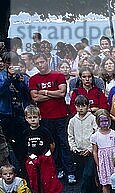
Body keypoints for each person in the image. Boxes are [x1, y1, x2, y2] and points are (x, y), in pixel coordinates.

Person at [29, 53, 76, 184]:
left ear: (47, 60)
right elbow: (35, 98)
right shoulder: (34, 79)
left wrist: (44, 92)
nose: (40, 65)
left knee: (64, 144)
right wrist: (52, 94)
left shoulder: (58, 75)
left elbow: (62, 93)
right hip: (45, 117)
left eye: (42, 62)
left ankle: (70, 172)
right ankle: (58, 169)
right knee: (51, 145)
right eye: (37, 63)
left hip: (60, 116)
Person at [23, 105, 63, 193]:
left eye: (35, 117)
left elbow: (52, 144)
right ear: (26, 118)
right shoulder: (26, 132)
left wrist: (47, 155)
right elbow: (25, 147)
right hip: (33, 159)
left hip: (44, 159)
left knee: (49, 179)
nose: (33, 120)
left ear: (39, 117)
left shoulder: (44, 130)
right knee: (37, 180)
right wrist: (31, 157)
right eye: (30, 117)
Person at [67, 95, 98, 193]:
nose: (81, 108)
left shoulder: (92, 119)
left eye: (83, 106)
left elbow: (96, 134)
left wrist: (90, 149)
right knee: (82, 174)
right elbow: (70, 136)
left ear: (88, 106)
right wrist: (74, 148)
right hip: (78, 152)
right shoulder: (72, 121)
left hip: (90, 151)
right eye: (78, 106)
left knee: (89, 174)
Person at [91, 110, 115, 193]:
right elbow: (95, 151)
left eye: (106, 120)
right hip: (103, 162)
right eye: (101, 121)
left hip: (114, 161)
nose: (104, 123)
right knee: (105, 182)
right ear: (97, 122)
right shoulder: (95, 136)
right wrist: (98, 163)